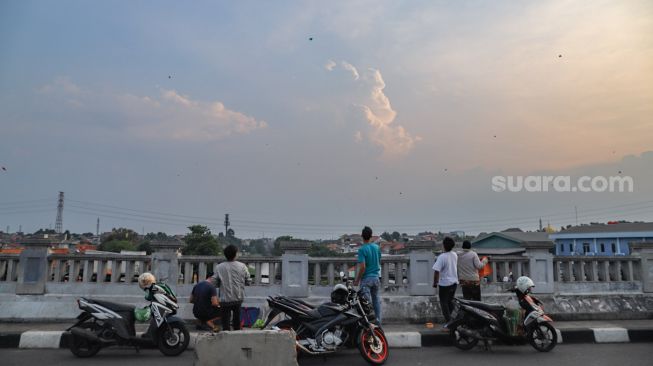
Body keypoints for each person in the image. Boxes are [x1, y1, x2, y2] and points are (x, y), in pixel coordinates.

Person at [214, 244, 250, 331]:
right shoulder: (242, 266)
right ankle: (236, 336)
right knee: (236, 320)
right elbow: (248, 280)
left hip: (224, 299)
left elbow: (215, 282)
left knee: (225, 322)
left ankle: (226, 338)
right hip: (238, 297)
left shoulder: (219, 267)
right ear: (235, 254)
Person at [354, 226, 382, 324]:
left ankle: (368, 324)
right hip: (376, 278)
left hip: (366, 279)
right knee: (376, 301)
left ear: (362, 236)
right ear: (371, 236)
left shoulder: (362, 250)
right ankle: (378, 322)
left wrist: (357, 279)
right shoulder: (377, 248)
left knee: (366, 304)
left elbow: (363, 267)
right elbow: (379, 261)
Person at [433, 237, 458, 326]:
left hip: (445, 284)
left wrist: (435, 283)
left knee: (444, 303)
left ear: (444, 245)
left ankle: (449, 321)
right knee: (450, 301)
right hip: (454, 283)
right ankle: (452, 319)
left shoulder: (442, 257)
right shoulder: (454, 255)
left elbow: (436, 271)